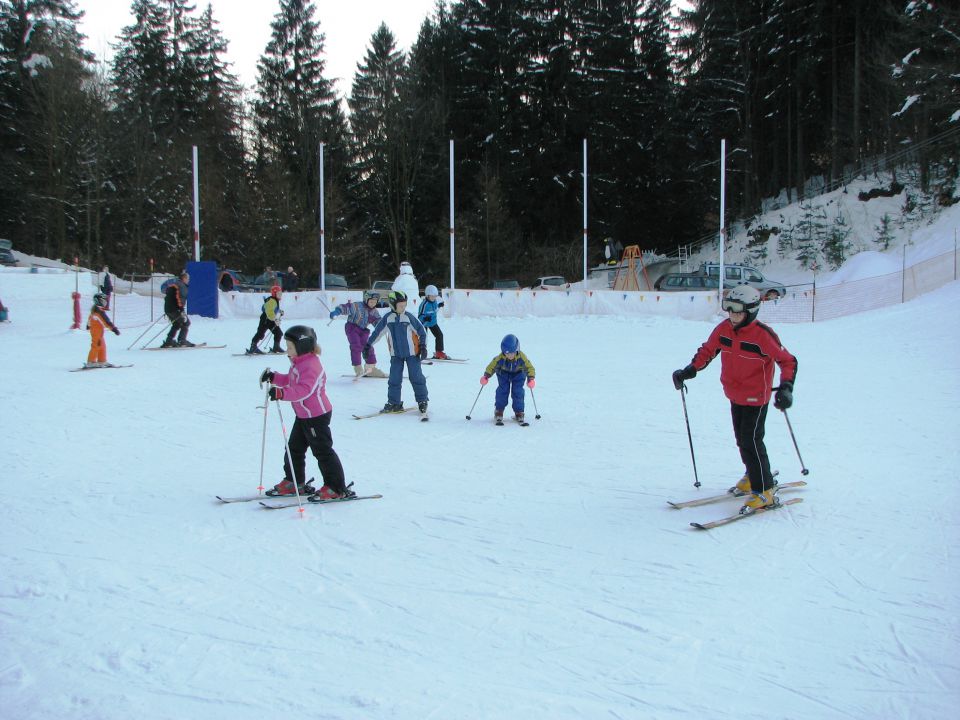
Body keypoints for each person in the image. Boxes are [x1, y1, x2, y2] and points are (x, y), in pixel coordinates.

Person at [671, 284, 798, 514]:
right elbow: (708, 350)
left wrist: (786, 387)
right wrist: (689, 370)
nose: (733, 315)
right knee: (742, 439)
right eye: (729, 310)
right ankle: (753, 474)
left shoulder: (763, 335)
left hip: (756, 397)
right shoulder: (724, 329)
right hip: (734, 394)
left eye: (738, 311)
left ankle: (765, 489)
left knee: (751, 441)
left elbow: (788, 360)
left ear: (751, 311)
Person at [259, 325, 352, 500]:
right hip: (303, 415)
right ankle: (294, 481)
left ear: (302, 346)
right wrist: (274, 378)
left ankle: (336, 487)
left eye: (290, 347)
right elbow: (290, 380)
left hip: (316, 416)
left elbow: (304, 390)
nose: (287, 350)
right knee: (294, 448)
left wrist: (282, 393)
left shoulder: (311, 366)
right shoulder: (299, 363)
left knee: (322, 450)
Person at [365, 290, 429, 415]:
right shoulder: (388, 319)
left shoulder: (408, 317)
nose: (403, 308)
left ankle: (422, 400)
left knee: (416, 377)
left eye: (404, 305)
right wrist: (367, 346)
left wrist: (423, 347)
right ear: (393, 305)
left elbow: (422, 332)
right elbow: (377, 333)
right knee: (394, 379)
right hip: (396, 355)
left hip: (412, 354)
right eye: (400, 306)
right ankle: (394, 403)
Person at [328, 290, 387, 377]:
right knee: (356, 346)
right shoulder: (357, 306)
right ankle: (358, 368)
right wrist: (337, 312)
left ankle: (370, 368)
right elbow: (345, 307)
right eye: (371, 301)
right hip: (352, 328)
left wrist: (385, 328)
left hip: (363, 330)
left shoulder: (374, 312)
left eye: (375, 302)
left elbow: (378, 323)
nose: (373, 304)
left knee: (368, 347)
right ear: (366, 300)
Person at [481, 334, 536, 423]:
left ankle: (519, 412)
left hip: (518, 374)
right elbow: (492, 366)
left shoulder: (522, 357)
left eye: (512, 353)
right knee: (502, 391)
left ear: (516, 350)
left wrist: (531, 378)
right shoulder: (500, 358)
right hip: (503, 374)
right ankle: (499, 411)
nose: (509, 355)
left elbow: (530, 367)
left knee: (518, 392)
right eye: (507, 353)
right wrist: (486, 375)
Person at [85, 292, 120, 367]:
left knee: (102, 346)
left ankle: (102, 360)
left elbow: (89, 319)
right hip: (96, 332)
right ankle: (91, 362)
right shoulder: (98, 312)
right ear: (99, 301)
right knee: (96, 345)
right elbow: (106, 322)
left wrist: (88, 325)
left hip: (99, 332)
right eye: (104, 300)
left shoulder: (97, 310)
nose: (106, 302)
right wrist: (114, 329)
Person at [161, 271, 194, 348]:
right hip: (176, 309)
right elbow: (180, 299)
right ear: (184, 278)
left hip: (168, 309)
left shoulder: (174, 284)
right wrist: (181, 309)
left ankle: (169, 341)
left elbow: (168, 296)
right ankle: (182, 340)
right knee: (186, 323)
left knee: (176, 324)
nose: (188, 280)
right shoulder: (182, 286)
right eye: (188, 279)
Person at [248, 285, 284, 354]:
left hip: (270, 319)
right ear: (274, 294)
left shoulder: (274, 300)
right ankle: (253, 347)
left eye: (281, 293)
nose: (280, 295)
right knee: (260, 333)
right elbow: (269, 311)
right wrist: (275, 319)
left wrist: (279, 311)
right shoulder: (272, 301)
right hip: (265, 319)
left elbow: (274, 309)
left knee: (278, 333)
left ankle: (276, 347)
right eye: (279, 293)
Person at [418, 284, 447, 359]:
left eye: (435, 296)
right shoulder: (424, 304)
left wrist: (439, 305)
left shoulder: (434, 302)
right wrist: (425, 318)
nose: (434, 298)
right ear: (427, 296)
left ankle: (439, 352)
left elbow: (435, 309)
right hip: (424, 324)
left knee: (439, 335)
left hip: (433, 323)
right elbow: (420, 316)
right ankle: (419, 352)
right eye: (432, 296)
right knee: (424, 338)